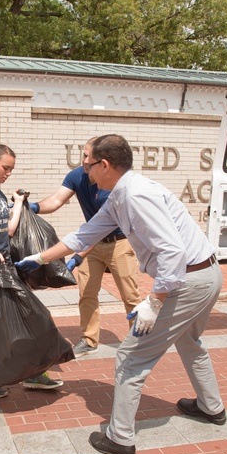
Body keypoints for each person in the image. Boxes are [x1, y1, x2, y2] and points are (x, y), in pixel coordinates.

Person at [17, 134, 225, 454]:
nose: (84, 171)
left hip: (189, 280)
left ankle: (120, 438)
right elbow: (84, 235)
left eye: (87, 164)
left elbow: (172, 252)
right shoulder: (119, 195)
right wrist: (40, 258)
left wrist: (153, 302)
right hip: (205, 275)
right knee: (190, 342)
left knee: (130, 357)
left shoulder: (137, 195)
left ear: (105, 165)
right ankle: (211, 406)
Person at [0, 144, 64, 398]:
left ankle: (29, 373)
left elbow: (8, 229)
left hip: (3, 267)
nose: (8, 173)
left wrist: (17, 202)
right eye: (5, 167)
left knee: (18, 323)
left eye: (11, 169)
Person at [30, 137, 141, 357]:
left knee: (130, 296)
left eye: (88, 156)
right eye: (83, 155)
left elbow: (101, 227)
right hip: (92, 242)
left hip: (118, 243)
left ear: (102, 162)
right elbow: (55, 201)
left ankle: (138, 343)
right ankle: (89, 339)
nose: (84, 160)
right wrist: (32, 207)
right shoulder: (76, 176)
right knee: (87, 293)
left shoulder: (112, 185)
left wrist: (78, 255)